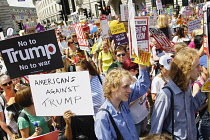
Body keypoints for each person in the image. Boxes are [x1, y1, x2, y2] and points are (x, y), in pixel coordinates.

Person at [150, 47, 207, 140]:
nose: (200, 69)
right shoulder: (166, 94)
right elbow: (156, 128)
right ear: (187, 68)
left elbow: (192, 107)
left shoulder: (187, 87)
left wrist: (203, 91)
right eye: (197, 66)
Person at [94, 54, 150, 140]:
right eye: (125, 87)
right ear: (113, 87)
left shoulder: (123, 101)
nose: (129, 90)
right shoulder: (103, 117)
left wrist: (142, 64)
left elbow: (142, 86)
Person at [122, 58, 150, 136]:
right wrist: (138, 95)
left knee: (143, 133)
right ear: (129, 70)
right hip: (135, 118)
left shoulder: (135, 78)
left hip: (143, 113)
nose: (137, 71)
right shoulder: (125, 85)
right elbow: (125, 104)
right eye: (135, 69)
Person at [0, 75, 18, 140]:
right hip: (14, 132)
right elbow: (1, 120)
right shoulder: (1, 100)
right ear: (1, 86)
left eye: (9, 82)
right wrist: (11, 134)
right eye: (5, 84)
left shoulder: (20, 93)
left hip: (27, 128)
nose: (8, 85)